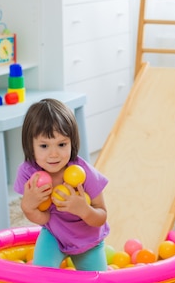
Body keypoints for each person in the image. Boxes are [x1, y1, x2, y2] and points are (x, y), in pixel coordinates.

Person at [14, 98, 110, 271]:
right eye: (44, 145)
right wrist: (28, 208)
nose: (54, 154)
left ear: (72, 143)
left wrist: (83, 209)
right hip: (54, 236)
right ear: (31, 145)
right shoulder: (29, 174)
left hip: (88, 239)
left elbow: (101, 217)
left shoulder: (83, 173)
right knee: (41, 279)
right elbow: (44, 218)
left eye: (62, 144)